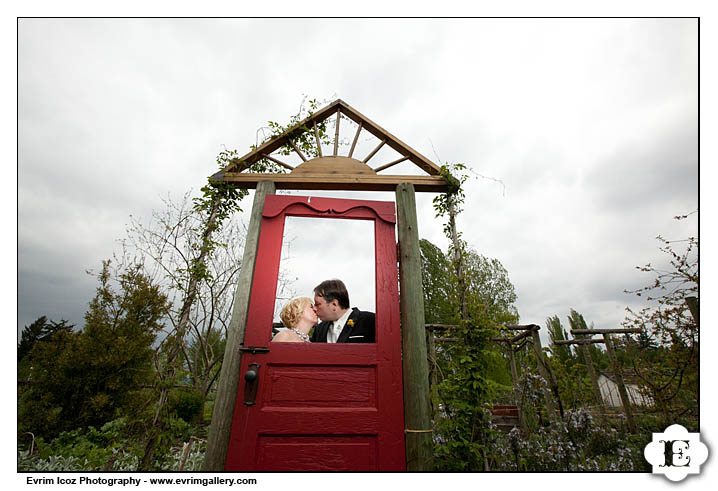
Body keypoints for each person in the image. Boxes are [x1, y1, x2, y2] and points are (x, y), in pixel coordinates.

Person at [310, 279, 375, 343]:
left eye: (318, 304)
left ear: (334, 304)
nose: (314, 308)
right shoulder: (319, 330)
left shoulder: (371, 321)